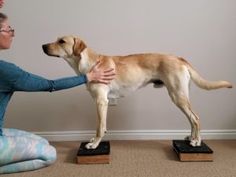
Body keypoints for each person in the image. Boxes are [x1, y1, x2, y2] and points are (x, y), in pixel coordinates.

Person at [0, 11, 115, 174]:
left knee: (42, 142)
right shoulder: (5, 70)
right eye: (7, 29)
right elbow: (50, 85)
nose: (12, 33)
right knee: (49, 154)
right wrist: (88, 77)